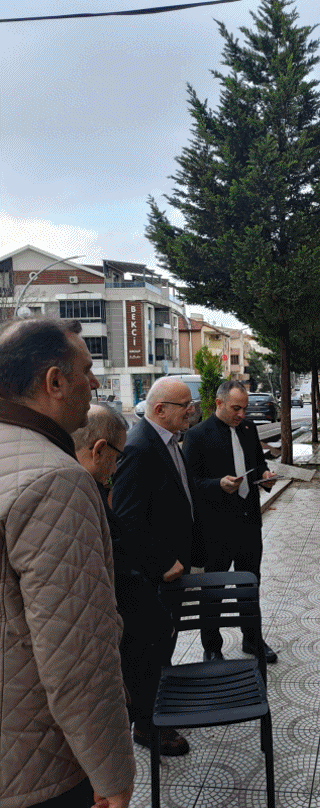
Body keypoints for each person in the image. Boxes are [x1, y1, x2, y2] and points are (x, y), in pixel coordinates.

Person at [0, 317, 134, 808]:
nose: (95, 383)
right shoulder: (55, 480)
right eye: (87, 369)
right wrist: (112, 773)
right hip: (39, 766)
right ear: (55, 382)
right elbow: (77, 657)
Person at [73, 405, 178, 757]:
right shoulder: (77, 494)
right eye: (117, 457)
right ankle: (146, 727)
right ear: (99, 450)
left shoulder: (85, 487)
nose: (117, 468)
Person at [111, 376, 202, 755]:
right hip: (154, 575)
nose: (192, 410)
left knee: (165, 646)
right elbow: (126, 518)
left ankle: (157, 713)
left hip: (175, 567)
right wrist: (162, 561)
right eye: (185, 405)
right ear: (160, 409)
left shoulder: (169, 440)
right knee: (150, 654)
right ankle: (148, 728)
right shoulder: (139, 447)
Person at [182, 380, 278, 663]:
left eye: (244, 408)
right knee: (213, 590)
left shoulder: (248, 429)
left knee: (249, 585)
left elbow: (258, 465)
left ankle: (252, 639)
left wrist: (266, 476)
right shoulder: (197, 435)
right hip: (215, 529)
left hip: (249, 524)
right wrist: (218, 485)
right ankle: (212, 647)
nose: (241, 414)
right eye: (236, 408)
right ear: (219, 403)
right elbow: (189, 483)